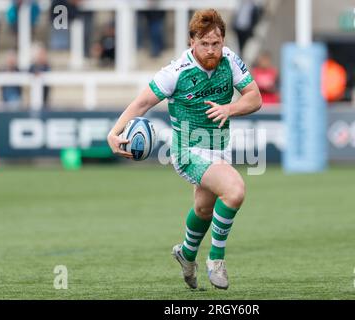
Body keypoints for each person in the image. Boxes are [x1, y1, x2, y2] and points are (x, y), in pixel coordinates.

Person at [107, 9, 262, 290]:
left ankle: (186, 254)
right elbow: (141, 104)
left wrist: (231, 108)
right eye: (205, 44)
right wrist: (114, 132)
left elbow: (255, 98)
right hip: (187, 150)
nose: (211, 50)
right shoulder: (175, 72)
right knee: (235, 190)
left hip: (219, 149)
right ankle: (216, 260)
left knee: (204, 209)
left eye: (216, 43)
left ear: (223, 41)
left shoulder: (230, 61)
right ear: (192, 41)